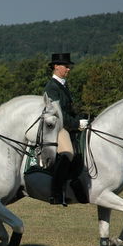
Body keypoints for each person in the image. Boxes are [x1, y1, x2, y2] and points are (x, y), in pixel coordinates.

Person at [43, 53, 88, 206]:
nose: (69, 69)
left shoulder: (63, 85)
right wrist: (76, 124)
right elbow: (59, 114)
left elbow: (70, 110)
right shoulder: (51, 87)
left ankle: (75, 182)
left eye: (69, 66)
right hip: (57, 127)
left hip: (68, 125)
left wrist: (84, 118)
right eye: (66, 66)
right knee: (68, 153)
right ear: (56, 66)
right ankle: (55, 193)